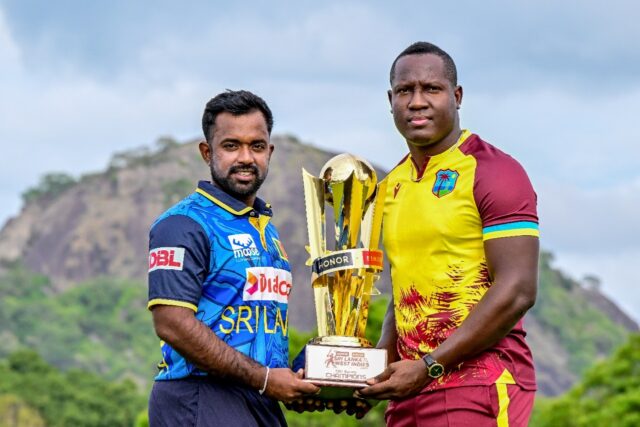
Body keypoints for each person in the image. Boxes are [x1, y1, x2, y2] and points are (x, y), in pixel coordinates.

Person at [357, 42, 540, 427]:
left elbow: (518, 289)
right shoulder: (392, 185)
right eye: (405, 91)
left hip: (481, 384)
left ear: (456, 96)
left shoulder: (494, 171)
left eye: (431, 89)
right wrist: (376, 372)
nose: (417, 101)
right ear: (391, 100)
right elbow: (403, 294)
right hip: (411, 390)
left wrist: (428, 366)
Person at [147, 90, 319, 427]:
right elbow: (171, 323)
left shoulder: (265, 229)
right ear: (207, 152)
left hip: (259, 399)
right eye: (231, 146)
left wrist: (307, 374)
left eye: (256, 146)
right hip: (200, 398)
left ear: (269, 151)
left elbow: (258, 328)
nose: (245, 157)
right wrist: (268, 379)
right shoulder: (183, 224)